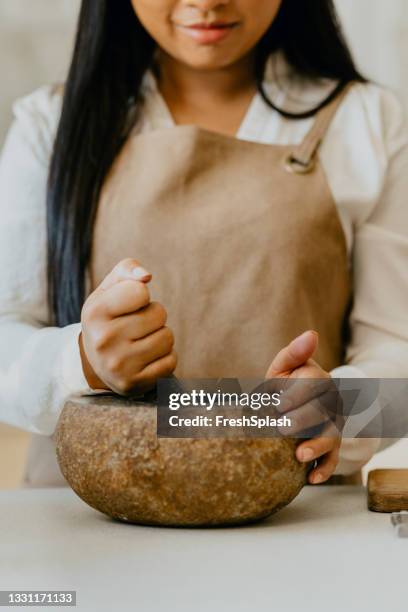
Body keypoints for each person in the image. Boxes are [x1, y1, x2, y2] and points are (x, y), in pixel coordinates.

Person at [0, 0, 407, 487]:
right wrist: (82, 361)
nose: (207, 2)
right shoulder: (51, 124)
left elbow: (397, 357)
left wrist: (340, 408)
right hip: (84, 538)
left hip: (298, 533)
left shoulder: (367, 122)